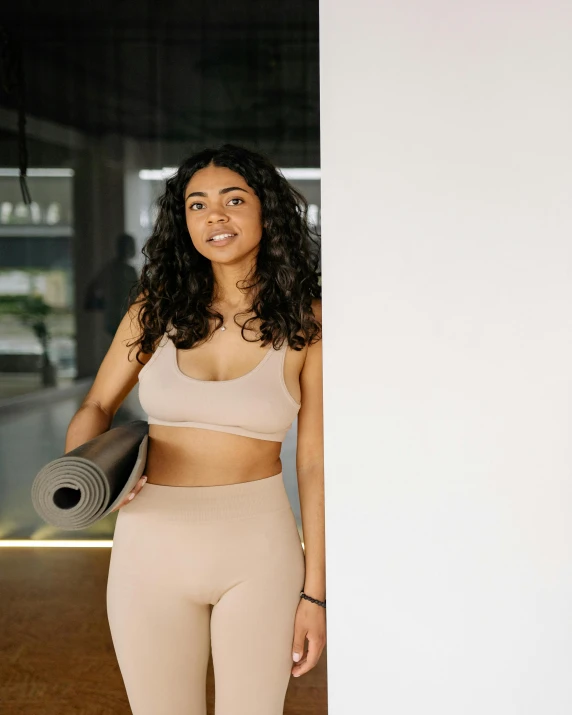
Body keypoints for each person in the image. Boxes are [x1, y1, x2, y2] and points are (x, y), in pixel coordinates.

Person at [64, 143, 326, 715]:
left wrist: (316, 594)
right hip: (148, 547)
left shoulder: (310, 321)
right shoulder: (155, 309)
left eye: (234, 199)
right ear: (183, 222)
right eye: (197, 204)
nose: (215, 217)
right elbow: (97, 405)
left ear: (267, 212)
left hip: (259, 551)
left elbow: (314, 462)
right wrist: (87, 477)